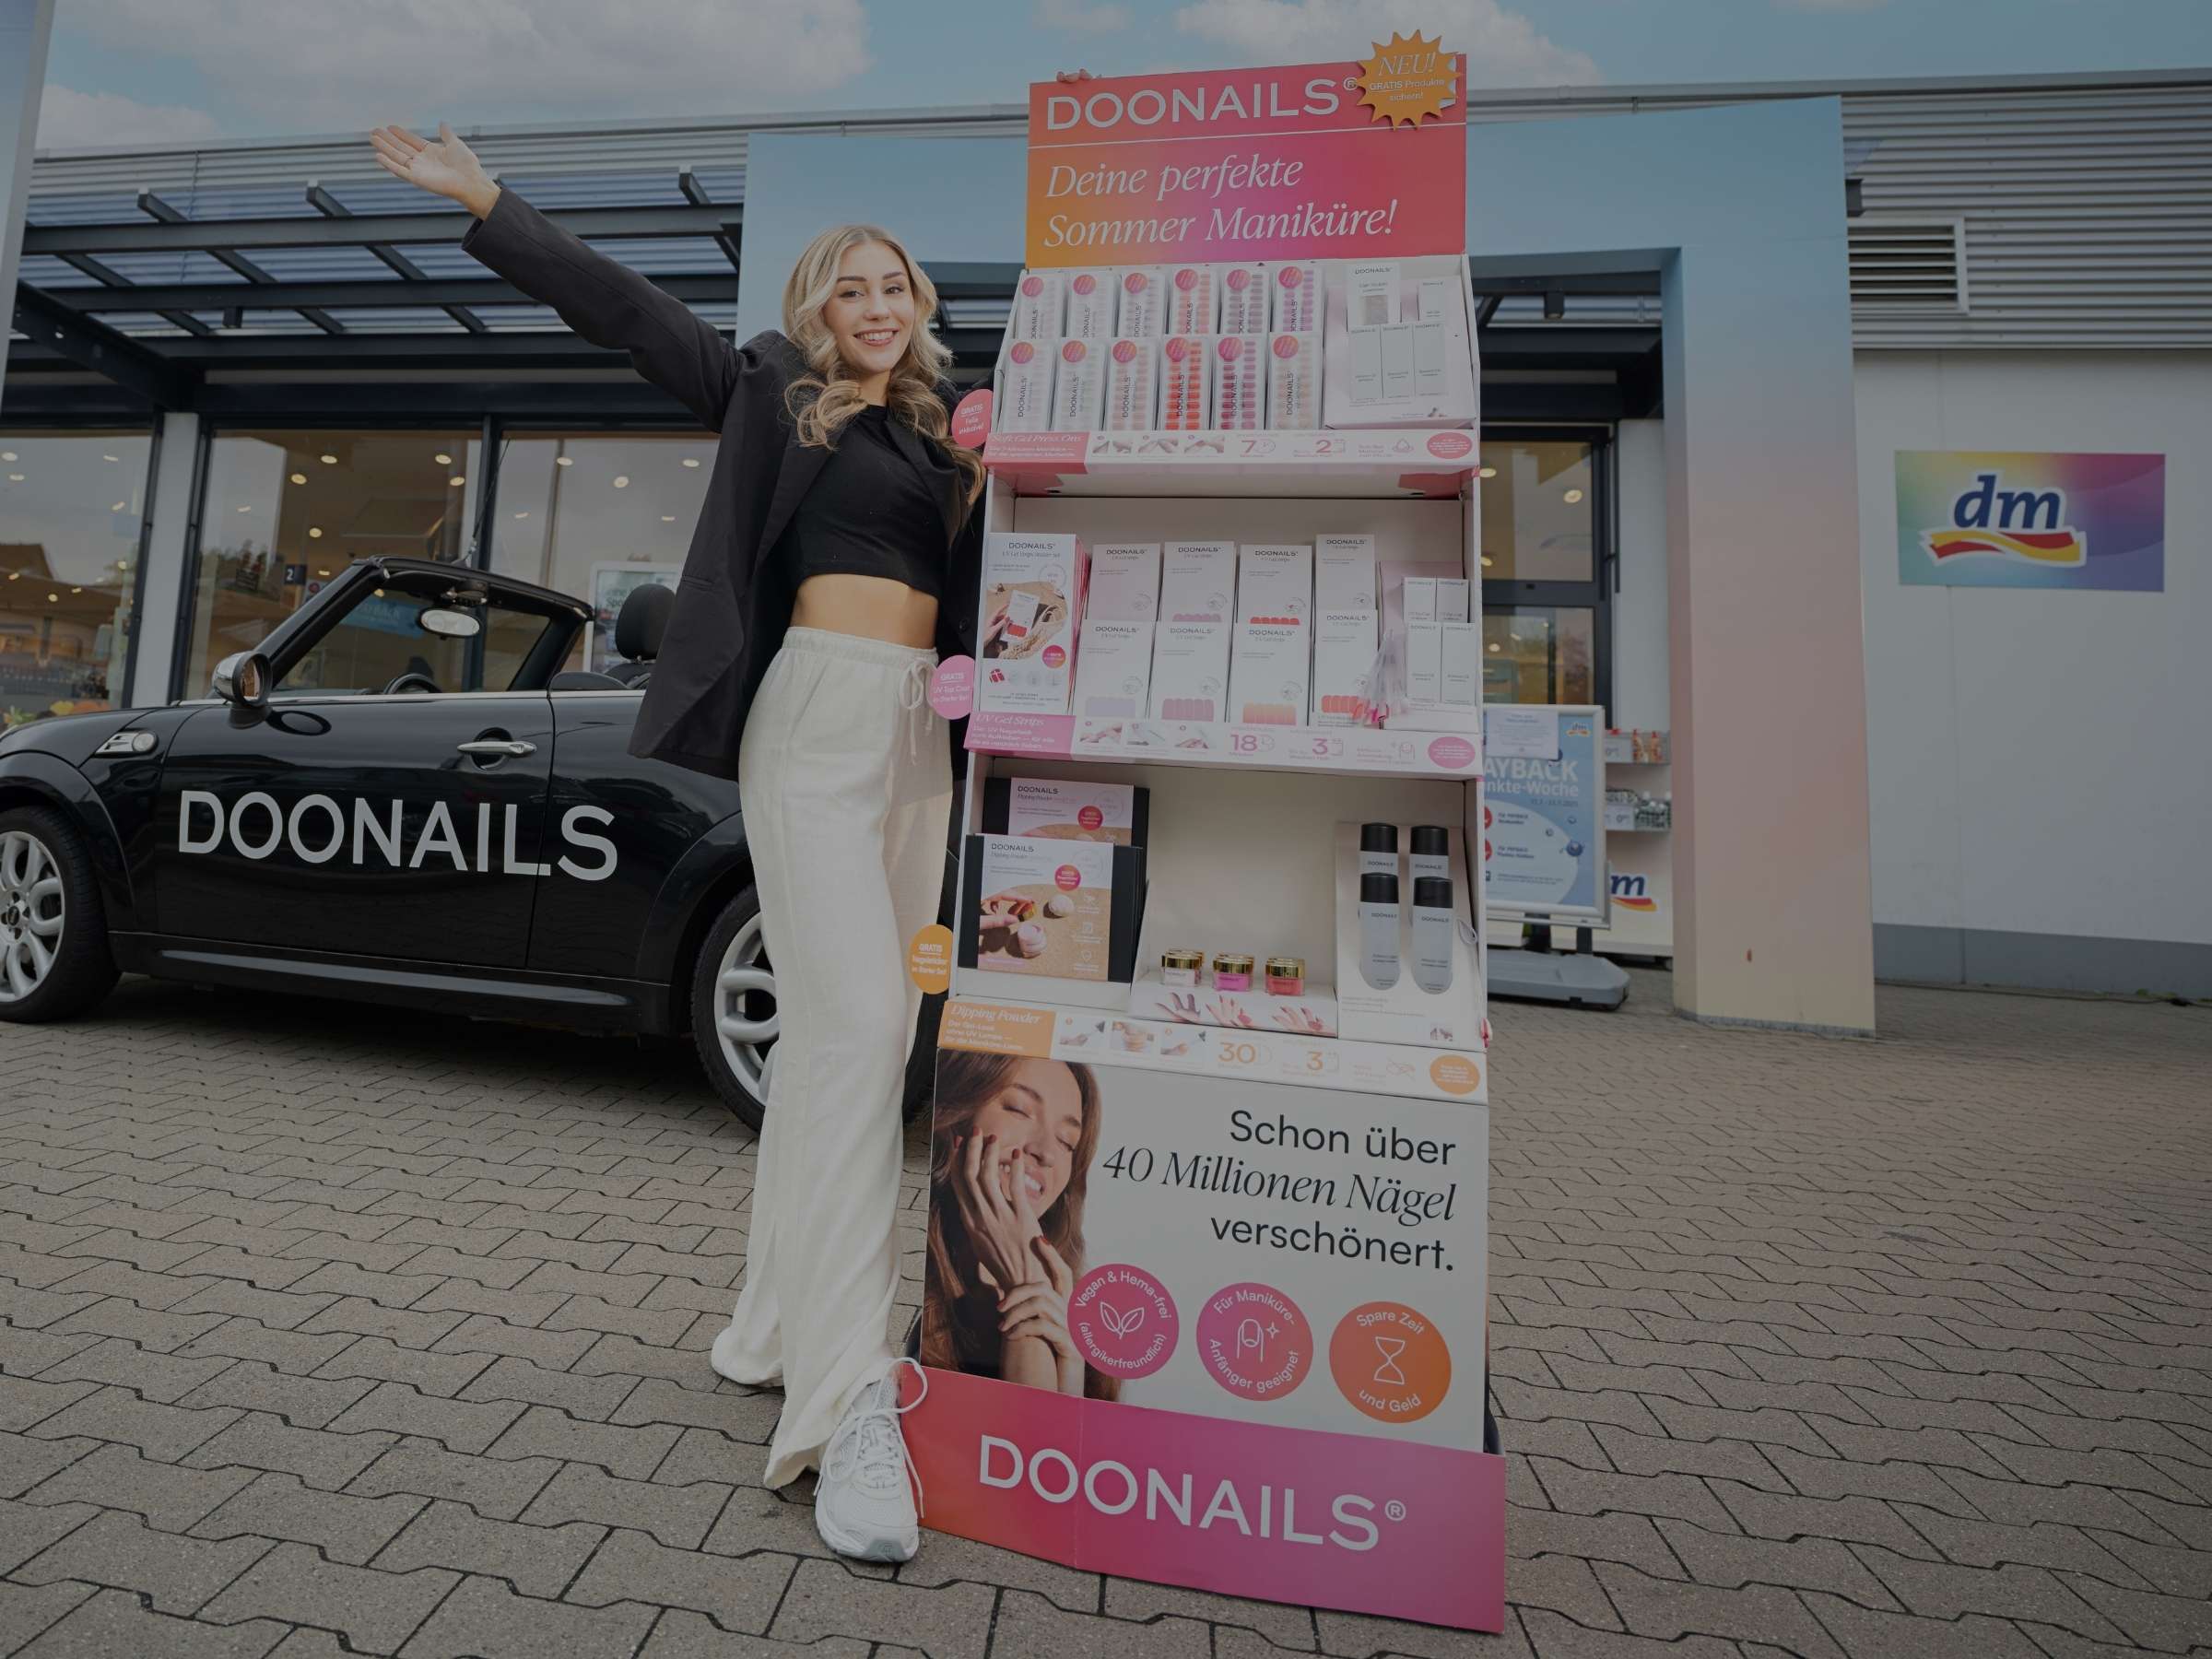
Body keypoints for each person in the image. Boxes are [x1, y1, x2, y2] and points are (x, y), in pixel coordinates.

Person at [369, 119, 985, 1564]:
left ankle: (773, 1324)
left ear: (921, 305)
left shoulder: (951, 435)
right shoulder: (774, 390)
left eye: (893, 285)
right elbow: (634, 316)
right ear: (816, 311)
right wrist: (492, 205)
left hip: (923, 739)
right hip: (818, 724)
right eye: (850, 289)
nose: (876, 307)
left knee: (870, 1042)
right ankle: (842, 1411)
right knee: (852, 1035)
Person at [919, 1053, 1118, 1401]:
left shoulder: (1087, 1330)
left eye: (1067, 1141)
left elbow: (1043, 1449)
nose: (1046, 1152)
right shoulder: (896, 1275)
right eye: (1018, 1109)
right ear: (954, 1116)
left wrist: (1069, 1382)